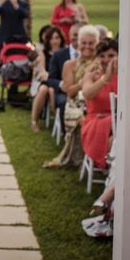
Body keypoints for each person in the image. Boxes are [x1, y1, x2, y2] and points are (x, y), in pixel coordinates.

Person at [43, 25, 99, 168]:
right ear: (78, 44)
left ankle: (96, 158)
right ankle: (86, 157)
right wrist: (84, 80)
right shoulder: (69, 65)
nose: (87, 46)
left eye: (91, 43)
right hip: (74, 105)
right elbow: (69, 92)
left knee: (96, 119)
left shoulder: (100, 64)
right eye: (84, 43)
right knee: (84, 120)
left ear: (97, 44)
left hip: (94, 103)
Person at [81, 39, 119, 169]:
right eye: (102, 56)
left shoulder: (124, 75)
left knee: (116, 139)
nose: (106, 60)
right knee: (117, 128)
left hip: (119, 122)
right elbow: (87, 93)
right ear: (97, 58)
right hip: (96, 122)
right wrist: (105, 79)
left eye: (111, 56)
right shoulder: (92, 74)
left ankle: (114, 168)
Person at [45, 23, 82, 131]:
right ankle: (66, 133)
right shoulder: (59, 55)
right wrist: (62, 85)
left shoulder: (87, 54)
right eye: (74, 34)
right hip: (63, 93)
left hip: (84, 92)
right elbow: (50, 79)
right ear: (69, 36)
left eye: (80, 35)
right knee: (63, 102)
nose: (77, 37)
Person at [30, 26, 66, 131]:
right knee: (43, 89)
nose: (54, 41)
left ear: (61, 39)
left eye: (57, 38)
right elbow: (42, 70)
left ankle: (55, 113)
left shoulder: (65, 52)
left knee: (51, 90)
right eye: (51, 38)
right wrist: (49, 76)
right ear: (48, 40)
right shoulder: (44, 53)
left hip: (61, 81)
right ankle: (34, 121)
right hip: (47, 80)